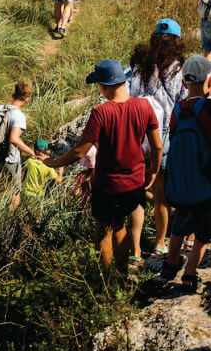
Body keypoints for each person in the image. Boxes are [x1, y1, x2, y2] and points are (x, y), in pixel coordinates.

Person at [42, 60, 162, 270]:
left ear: (103, 86)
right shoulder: (144, 106)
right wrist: (153, 170)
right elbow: (157, 147)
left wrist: (52, 162)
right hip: (134, 184)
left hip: (107, 186)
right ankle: (123, 273)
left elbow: (79, 151)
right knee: (119, 225)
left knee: (102, 231)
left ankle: (104, 279)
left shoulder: (101, 113)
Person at [161, 56, 211, 292]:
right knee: (206, 231)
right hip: (209, 180)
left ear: (184, 82)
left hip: (183, 181)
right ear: (209, 81)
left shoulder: (177, 109)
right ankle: (190, 272)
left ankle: (170, 263)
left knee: (180, 224)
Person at [128, 18, 187, 255]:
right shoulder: (179, 68)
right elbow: (182, 104)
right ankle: (160, 242)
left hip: (138, 133)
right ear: (177, 40)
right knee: (162, 194)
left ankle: (135, 248)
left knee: (137, 191)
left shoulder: (140, 65)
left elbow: (131, 95)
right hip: (165, 135)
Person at [0, 81, 38, 205]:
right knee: (15, 192)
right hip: (10, 159)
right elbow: (14, 139)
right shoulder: (19, 116)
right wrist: (31, 152)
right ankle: (11, 220)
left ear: (13, 95)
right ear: (26, 99)